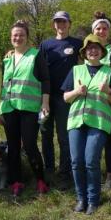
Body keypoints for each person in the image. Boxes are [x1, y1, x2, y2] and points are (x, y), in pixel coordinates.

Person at [62, 34, 111, 215]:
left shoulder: (109, 72)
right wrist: (76, 92)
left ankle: (94, 200)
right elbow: (65, 97)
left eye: (96, 48)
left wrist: (108, 91)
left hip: (98, 122)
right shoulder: (76, 70)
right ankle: (81, 199)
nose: (93, 51)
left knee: (90, 161)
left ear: (102, 52)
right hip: (76, 121)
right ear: (85, 53)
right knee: (76, 162)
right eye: (89, 49)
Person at [0, 21, 51, 196]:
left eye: (21, 35)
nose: (18, 38)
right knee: (13, 147)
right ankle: (16, 181)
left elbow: (45, 80)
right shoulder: (7, 59)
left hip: (29, 108)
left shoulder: (36, 56)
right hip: (9, 109)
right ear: (10, 37)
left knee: (29, 145)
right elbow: (4, 85)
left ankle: (41, 180)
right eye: (15, 35)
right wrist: (1, 110)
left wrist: (45, 103)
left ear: (27, 37)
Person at [39, 11, 83, 190]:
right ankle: (49, 170)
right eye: (57, 22)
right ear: (53, 25)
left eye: (64, 22)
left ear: (69, 24)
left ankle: (65, 173)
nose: (61, 25)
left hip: (67, 97)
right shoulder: (46, 44)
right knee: (45, 133)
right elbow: (39, 68)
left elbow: (93, 53)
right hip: (46, 96)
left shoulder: (77, 44)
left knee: (64, 137)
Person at [91, 11, 111, 189]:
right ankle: (92, 172)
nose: (101, 31)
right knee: (93, 138)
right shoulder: (87, 49)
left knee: (110, 139)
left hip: (109, 100)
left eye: (104, 28)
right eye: (98, 28)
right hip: (90, 102)